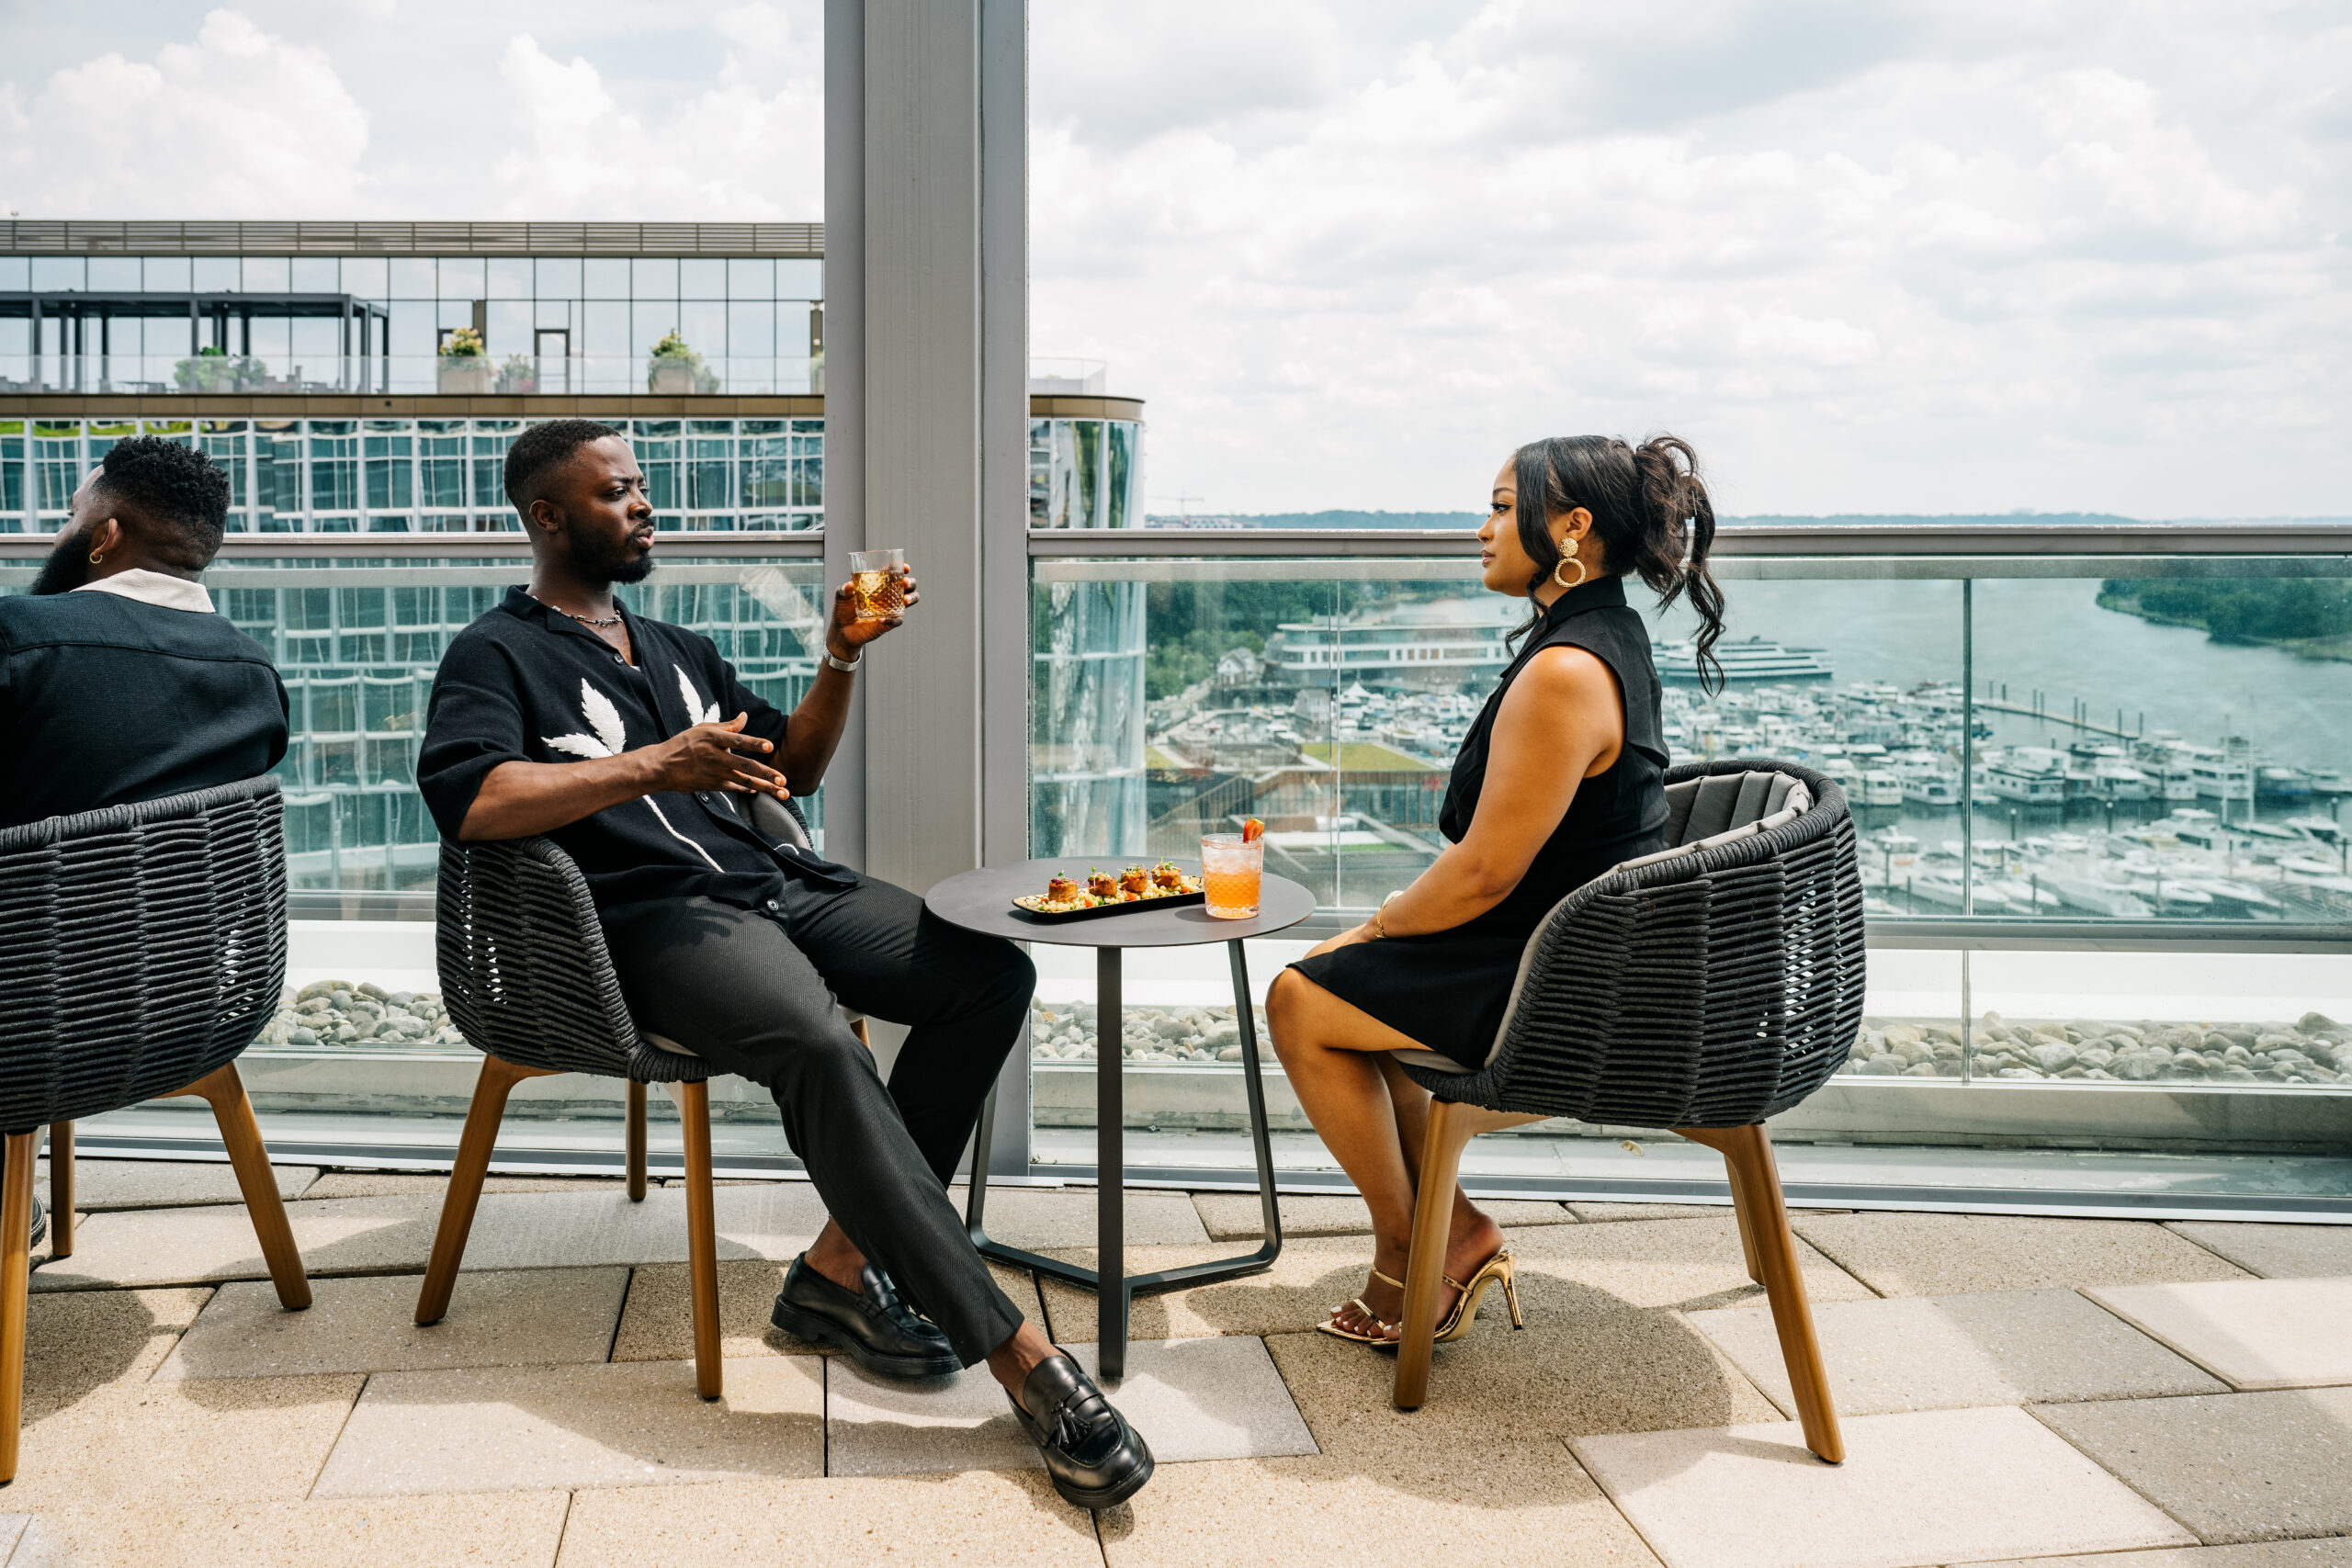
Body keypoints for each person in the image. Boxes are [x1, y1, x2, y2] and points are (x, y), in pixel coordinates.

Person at [415, 419, 1151, 1511]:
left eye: (642, 487)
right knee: (817, 1042)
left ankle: (840, 1272)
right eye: (616, 492)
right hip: (650, 924)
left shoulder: (673, 647)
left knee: (987, 978)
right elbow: (473, 800)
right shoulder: (496, 653)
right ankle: (1021, 1360)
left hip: (777, 884)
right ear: (548, 516)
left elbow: (790, 767)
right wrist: (652, 767)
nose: (643, 505)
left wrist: (840, 657)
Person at [1265, 434, 1725, 1346]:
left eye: (1500, 505)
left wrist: (1365, 937)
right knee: (1350, 1003)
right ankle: (1459, 1230)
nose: (1481, 530)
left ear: (1571, 528)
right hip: (1574, 947)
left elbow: (1484, 870)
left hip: (1561, 984)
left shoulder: (1563, 671)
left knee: (1298, 1001)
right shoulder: (1605, 634)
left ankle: (1415, 1251)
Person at [0, 434, 291, 1253]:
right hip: (192, 1013)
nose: (59, 535)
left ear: (103, 539)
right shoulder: (255, 674)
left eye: (69, 518)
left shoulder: (20, 636)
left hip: (26, 1025)